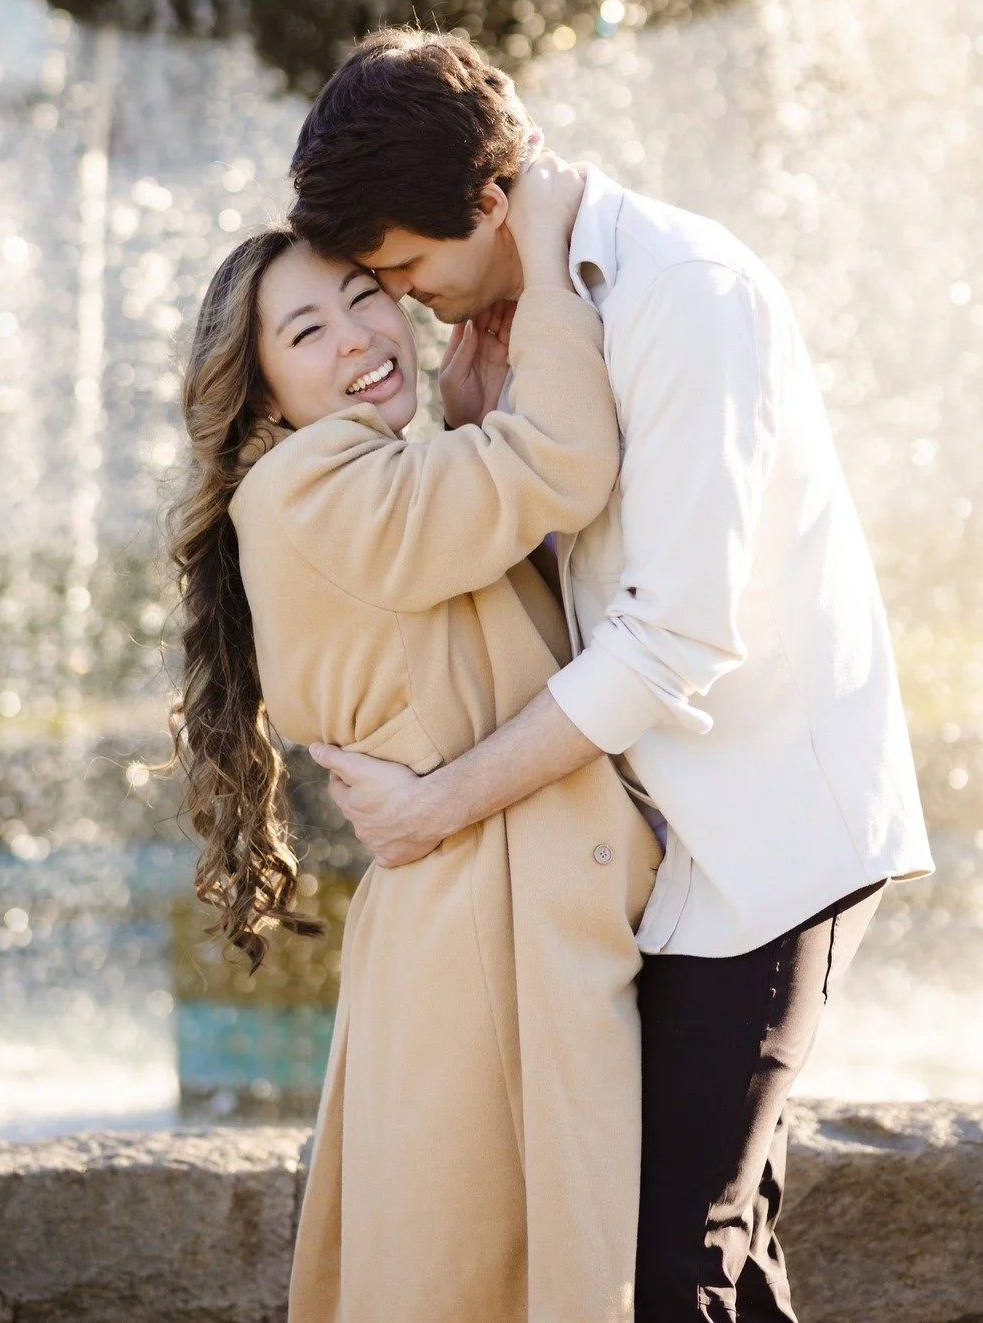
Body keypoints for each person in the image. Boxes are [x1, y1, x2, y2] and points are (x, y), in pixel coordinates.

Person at [290, 27, 935, 1323]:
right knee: (724, 1253)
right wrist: (483, 439)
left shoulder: (680, 293)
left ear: (488, 196)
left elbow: (674, 634)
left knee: (665, 1257)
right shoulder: (522, 324)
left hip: (765, 842)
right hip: (645, 848)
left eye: (409, 266)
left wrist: (441, 802)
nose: (405, 301)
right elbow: (553, 599)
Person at [168, 175, 661, 1323]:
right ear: (264, 392)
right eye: (307, 331)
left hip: (480, 917)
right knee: (493, 1275)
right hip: (482, 935)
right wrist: (538, 250)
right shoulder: (313, 487)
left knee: (492, 1270)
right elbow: (560, 463)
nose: (359, 339)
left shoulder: (355, 482)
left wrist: (477, 397)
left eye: (364, 297)